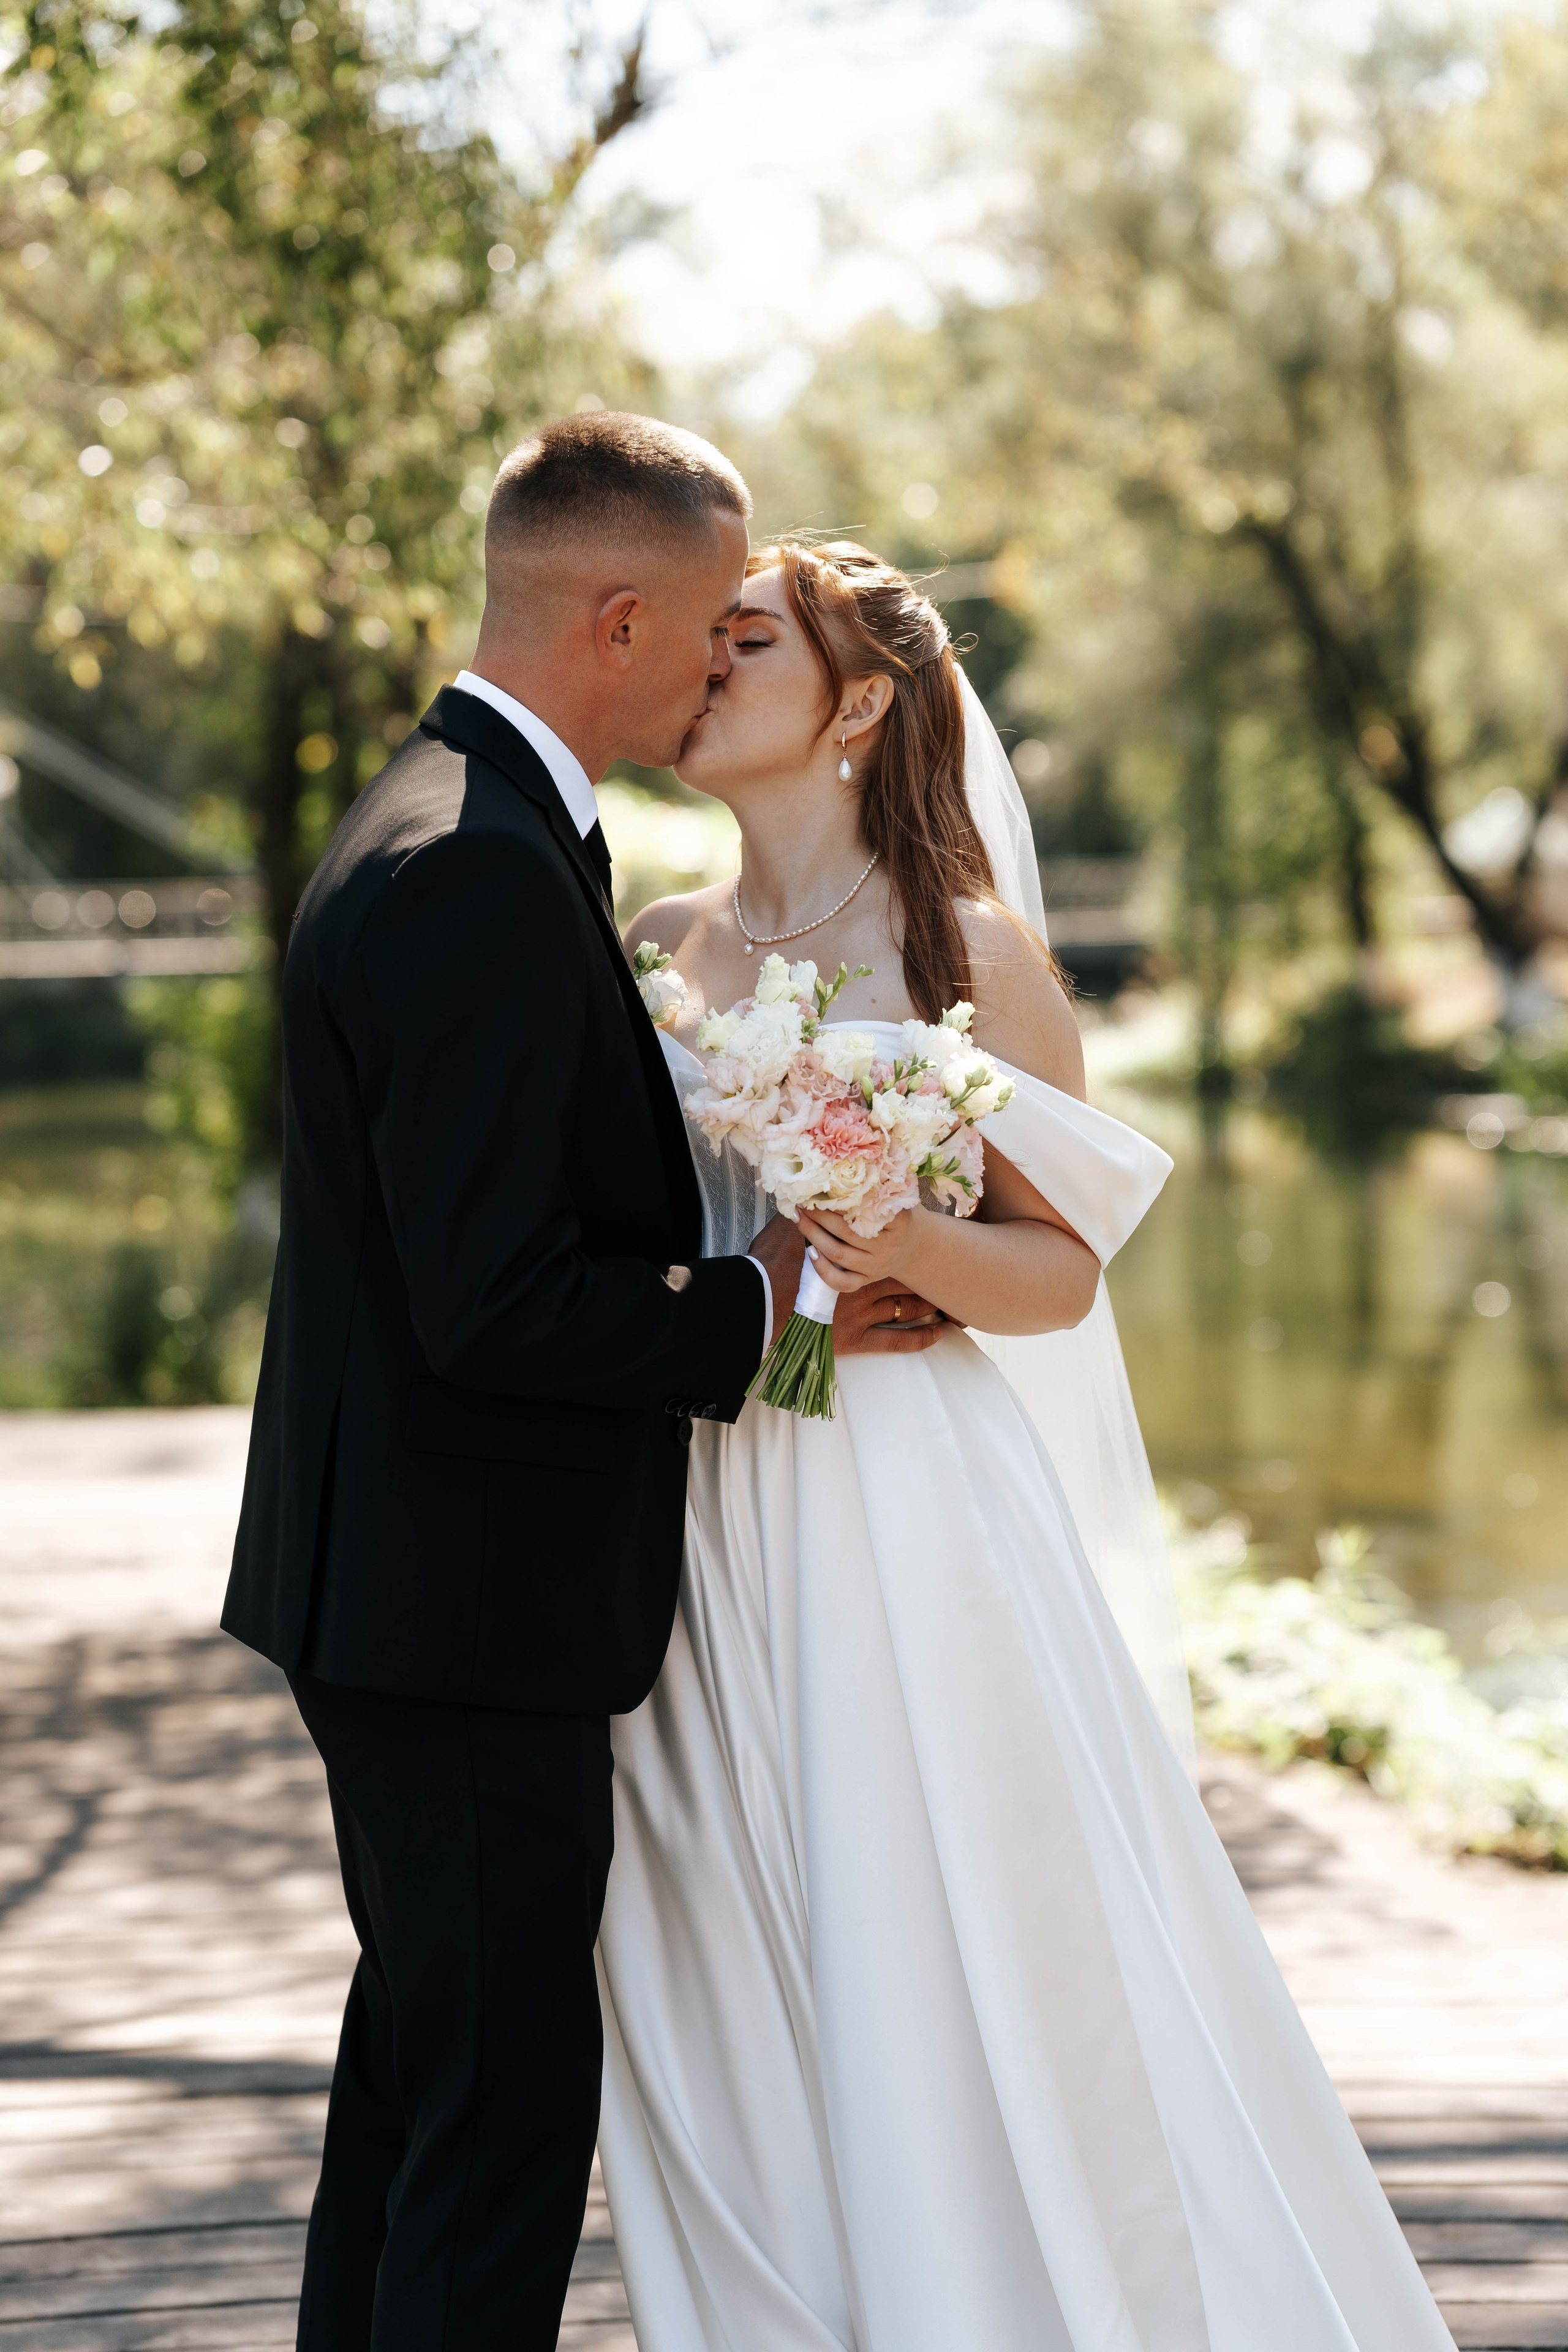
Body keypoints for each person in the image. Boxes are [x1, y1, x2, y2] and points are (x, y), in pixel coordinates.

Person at [598, 538, 1458, 2352]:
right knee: (741, 1936)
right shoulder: (659, 946)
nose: (707, 656)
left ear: (859, 703)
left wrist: (896, 1239)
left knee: (939, 1913)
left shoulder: (965, 947)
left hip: (905, 1503)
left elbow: (1062, 1276)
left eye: (751, 637)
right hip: (705, 1504)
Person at [220, 424, 942, 2352]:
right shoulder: (472, 868)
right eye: (712, 630)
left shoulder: (458, 822)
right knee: (500, 2119)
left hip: (424, 1588)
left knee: (422, 2086)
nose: (722, 664)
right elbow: (498, 1303)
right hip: (462, 1609)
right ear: (619, 617)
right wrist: (761, 1299)